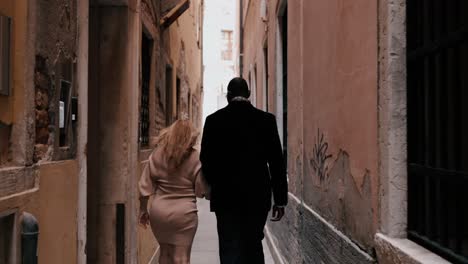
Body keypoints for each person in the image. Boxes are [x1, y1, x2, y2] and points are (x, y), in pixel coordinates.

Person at [200, 77, 288, 264]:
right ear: (248, 95)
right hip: (257, 197)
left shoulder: (213, 121)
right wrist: (280, 200)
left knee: (229, 246)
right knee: (253, 245)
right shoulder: (266, 120)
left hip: (225, 198)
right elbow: (277, 162)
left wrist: (218, 183)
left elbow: (205, 161)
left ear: (228, 96)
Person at [138, 119, 209, 264]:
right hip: (184, 215)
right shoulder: (195, 157)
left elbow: (145, 186)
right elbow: (201, 191)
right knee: (181, 258)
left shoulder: (158, 154)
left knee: (164, 254)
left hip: (159, 213)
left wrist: (143, 210)